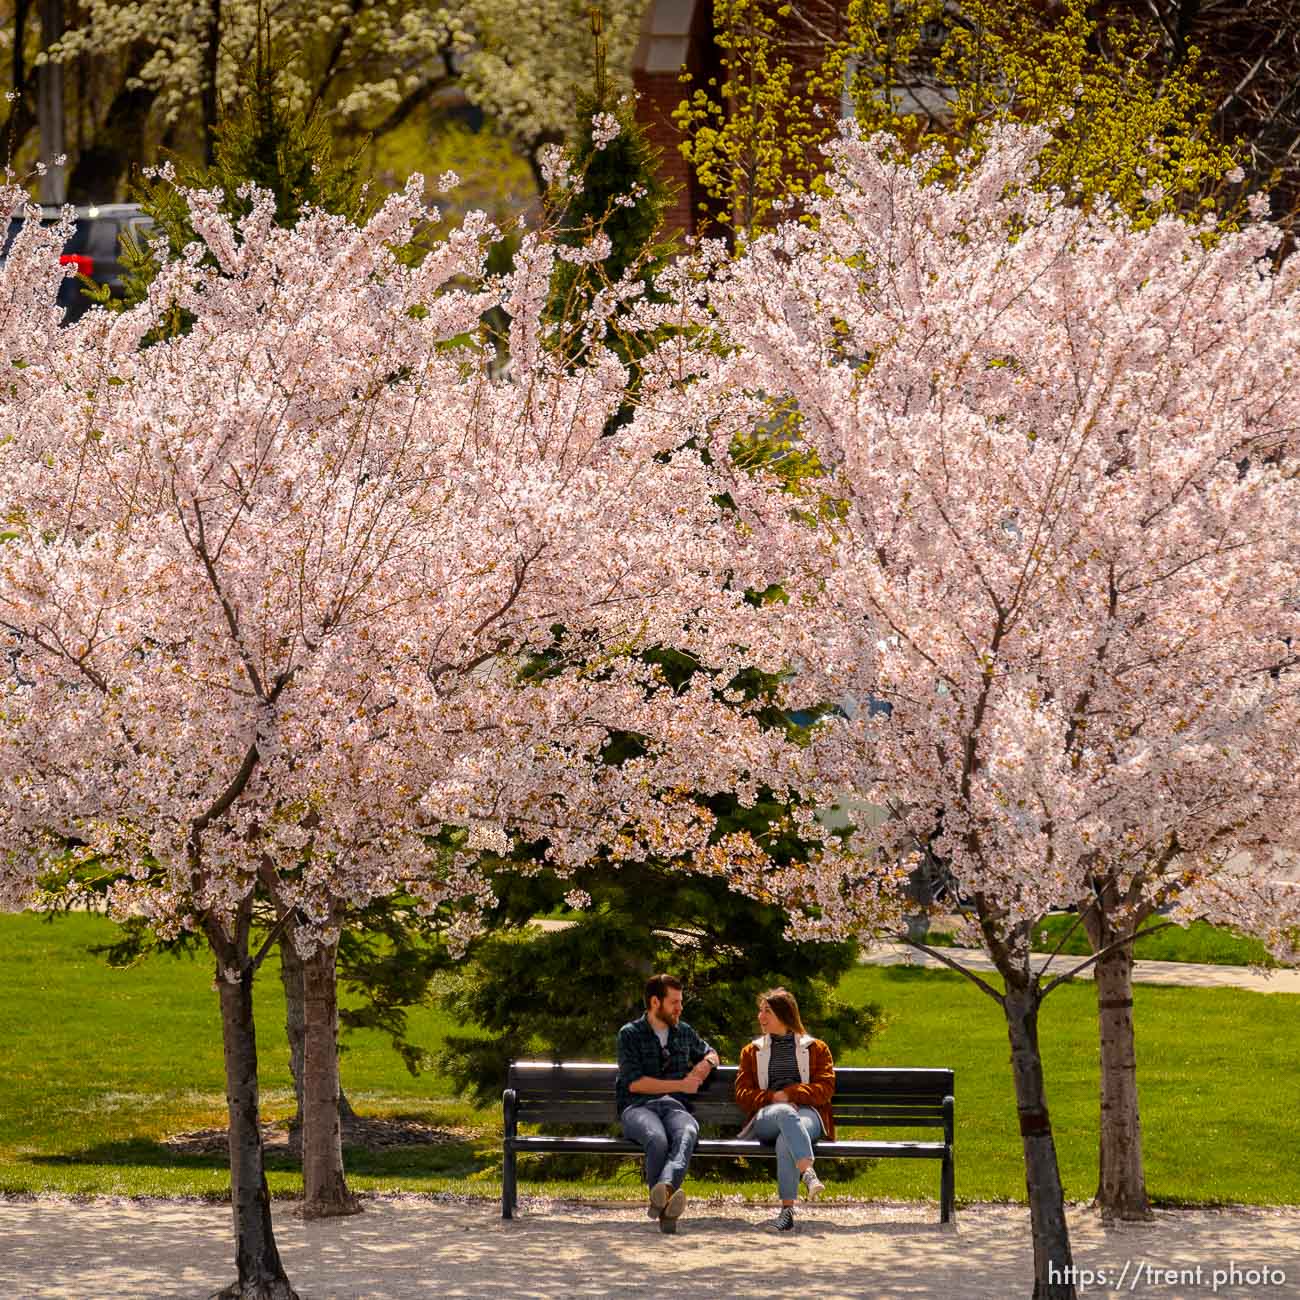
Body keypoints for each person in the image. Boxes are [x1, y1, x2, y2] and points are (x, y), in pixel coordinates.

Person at [616, 972, 720, 1233]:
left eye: (680, 1002)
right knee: (657, 1138)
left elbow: (711, 1052)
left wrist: (702, 1068)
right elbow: (634, 1083)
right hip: (638, 1107)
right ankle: (666, 1212)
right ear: (655, 1003)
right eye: (674, 1002)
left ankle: (661, 1198)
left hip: (674, 1108)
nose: (680, 1008)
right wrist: (680, 1085)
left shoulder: (683, 1032)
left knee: (688, 1131)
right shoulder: (629, 1034)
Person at [734, 986, 836, 1232]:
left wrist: (791, 1093)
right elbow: (742, 1094)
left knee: (785, 1141)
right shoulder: (752, 1051)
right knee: (784, 1113)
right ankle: (808, 1172)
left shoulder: (816, 1048)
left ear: (785, 1015)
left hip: (807, 1114)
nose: (761, 1017)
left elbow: (825, 1088)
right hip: (768, 1115)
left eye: (767, 1011)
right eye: (760, 1011)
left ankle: (786, 1213)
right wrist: (774, 1098)